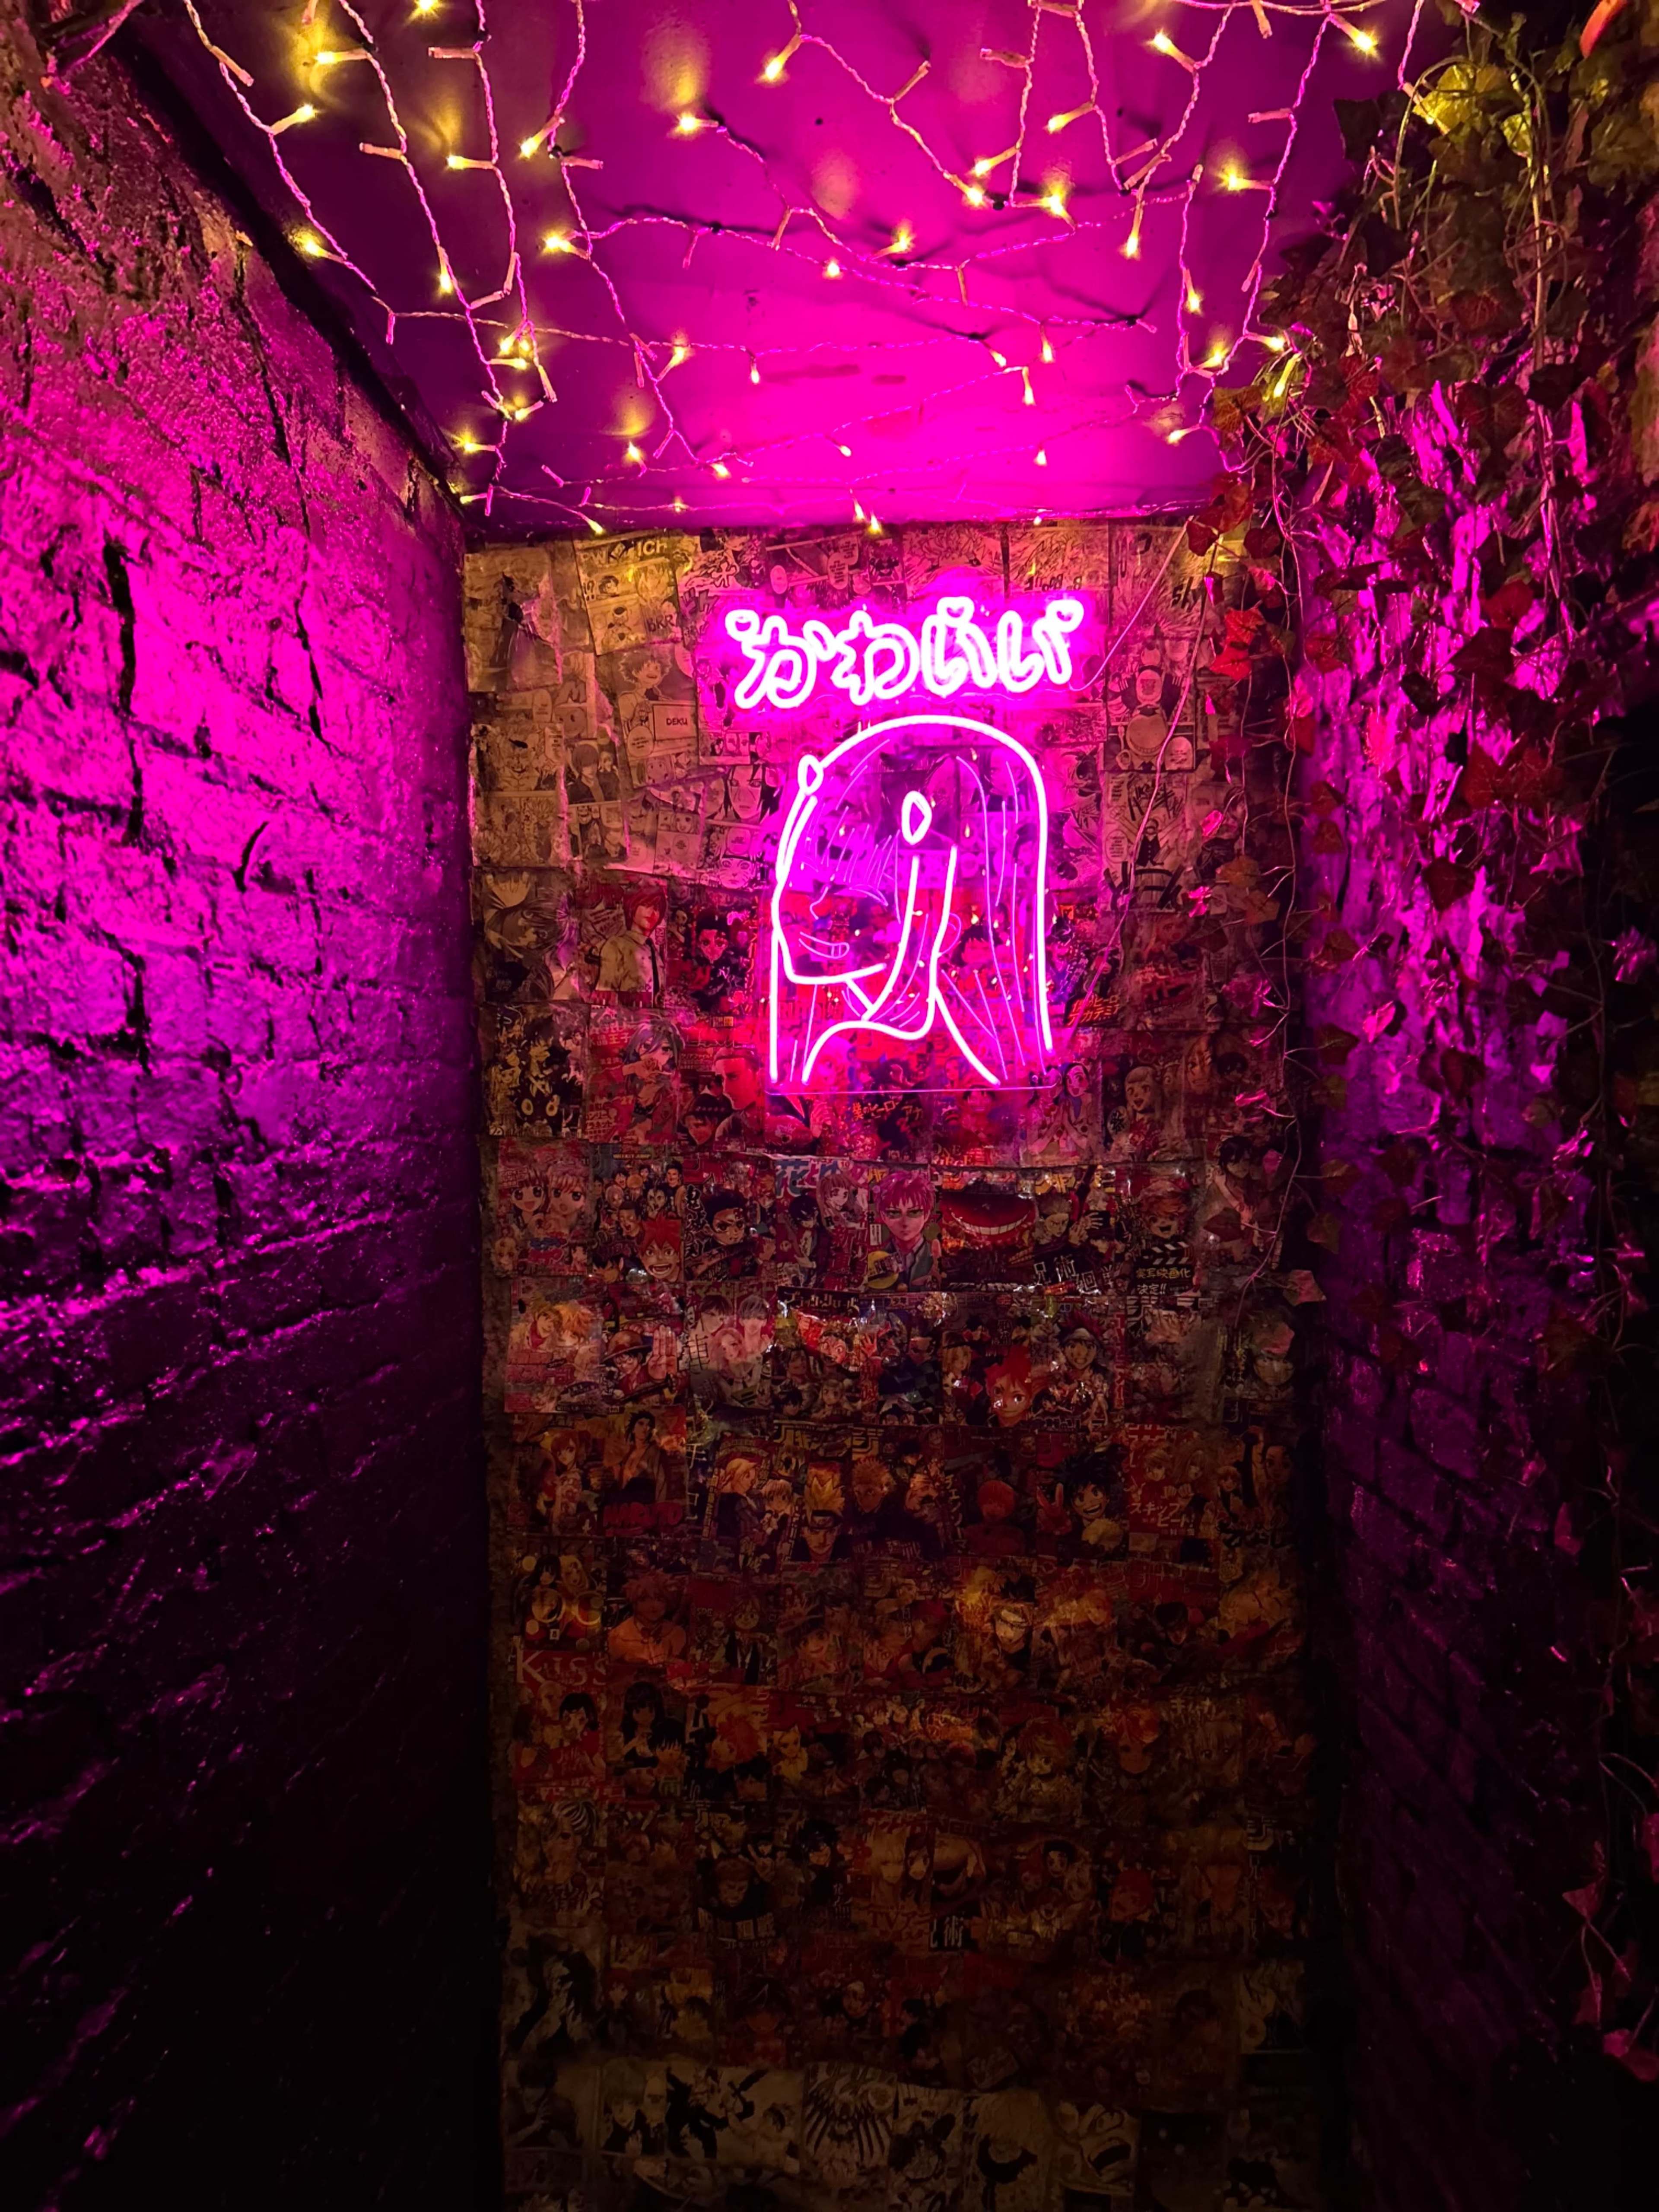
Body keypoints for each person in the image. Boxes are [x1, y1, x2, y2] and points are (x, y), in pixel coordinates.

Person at [597, 889, 665, 998]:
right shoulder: (617, 945)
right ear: (632, 908)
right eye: (646, 905)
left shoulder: (654, 951)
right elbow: (605, 993)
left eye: (657, 908)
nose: (652, 911)